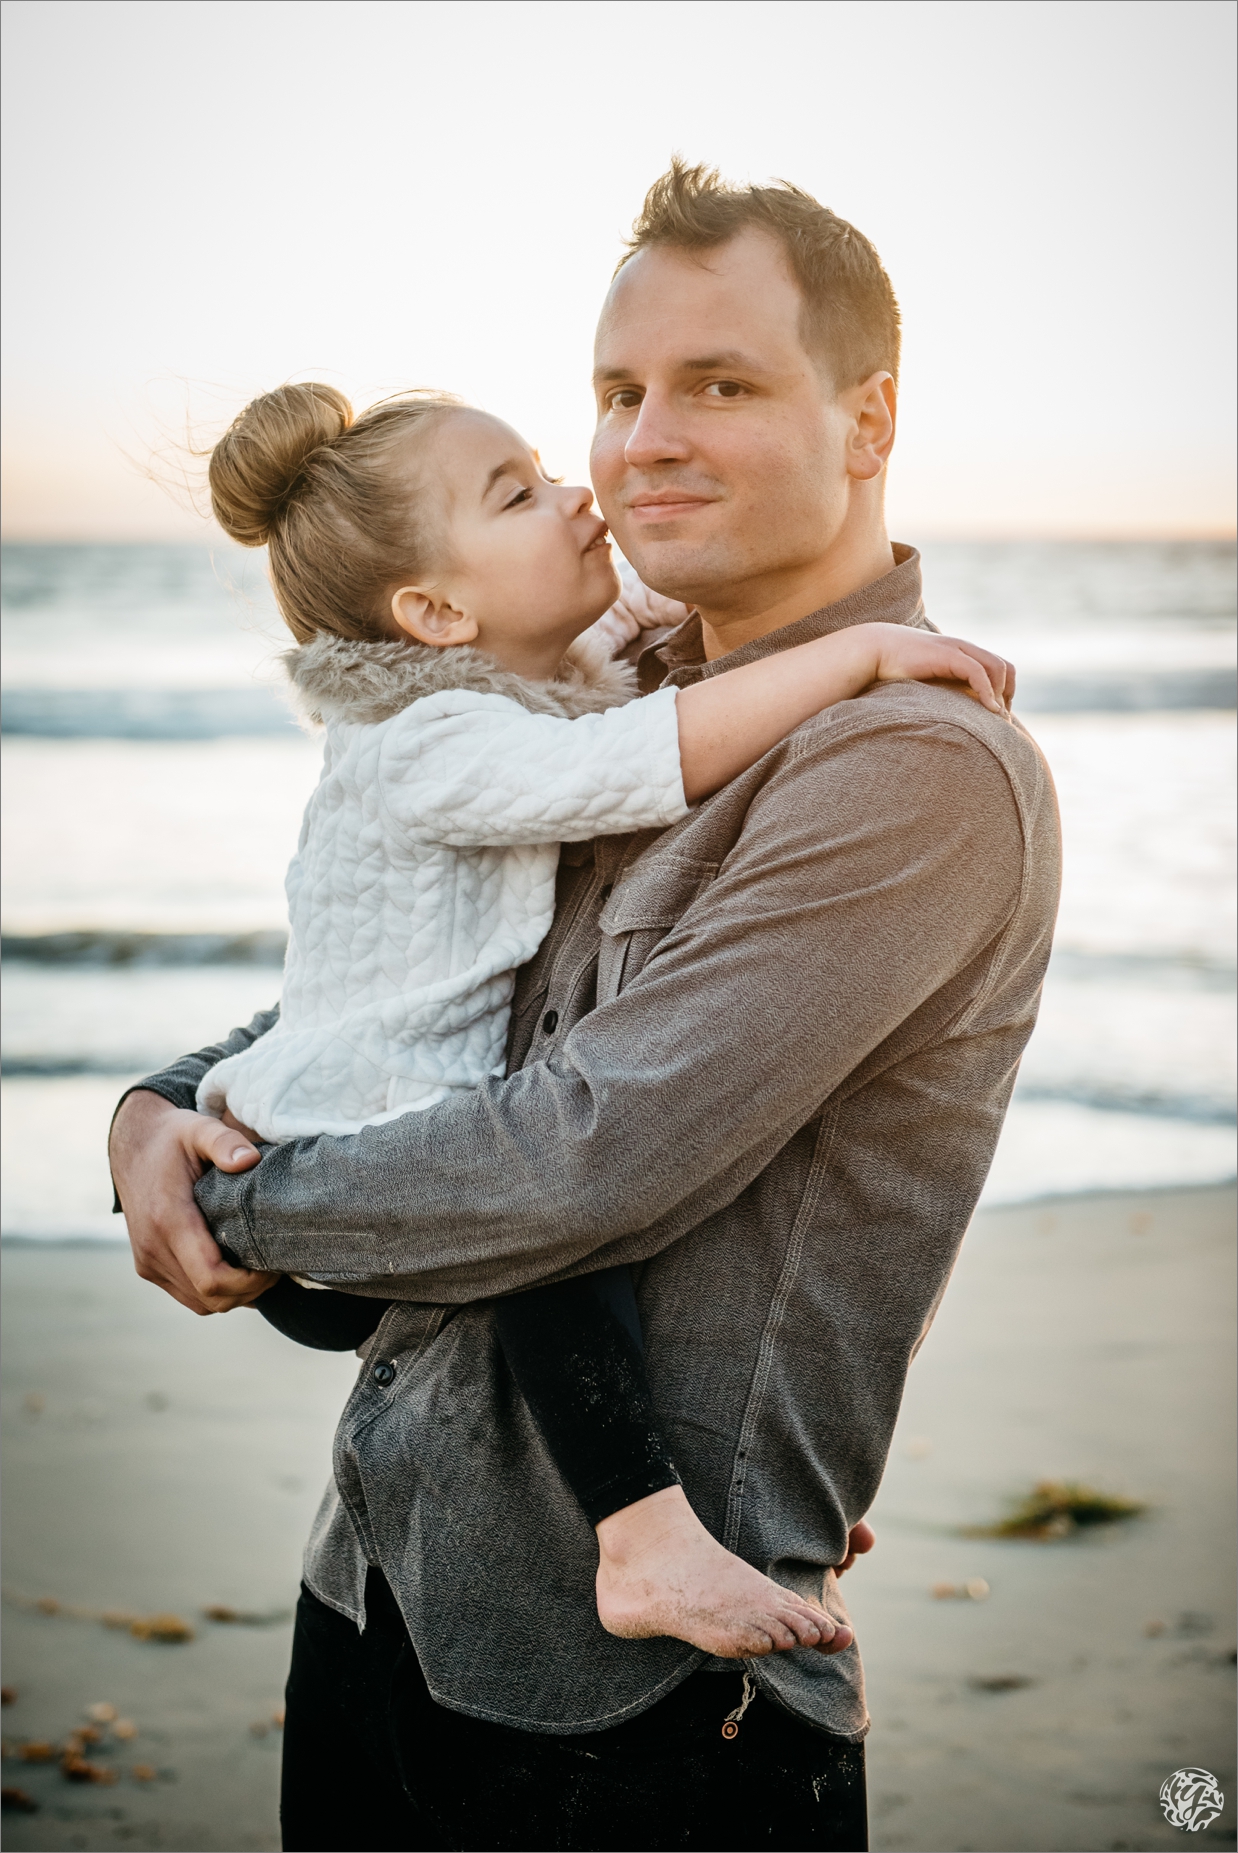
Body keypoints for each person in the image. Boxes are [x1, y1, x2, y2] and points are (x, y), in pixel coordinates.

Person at [110, 161, 1061, 1853]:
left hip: (629, 1704)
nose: (639, 445)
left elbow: (570, 1163)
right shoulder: (591, 704)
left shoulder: (903, 762)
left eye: (720, 383)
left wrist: (238, 1188)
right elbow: (387, 989)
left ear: (867, 419)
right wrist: (154, 1104)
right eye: (617, 394)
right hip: (384, 1578)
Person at [187, 374, 1012, 1666]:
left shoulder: (541, 671)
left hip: (354, 1131)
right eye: (516, 492)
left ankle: (727, 1485)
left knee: (536, 1243)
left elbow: (660, 617)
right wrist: (849, 652)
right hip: (357, 1119)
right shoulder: (432, 736)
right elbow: (641, 753)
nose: (582, 486)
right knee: (541, 1241)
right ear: (437, 610)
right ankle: (644, 1536)